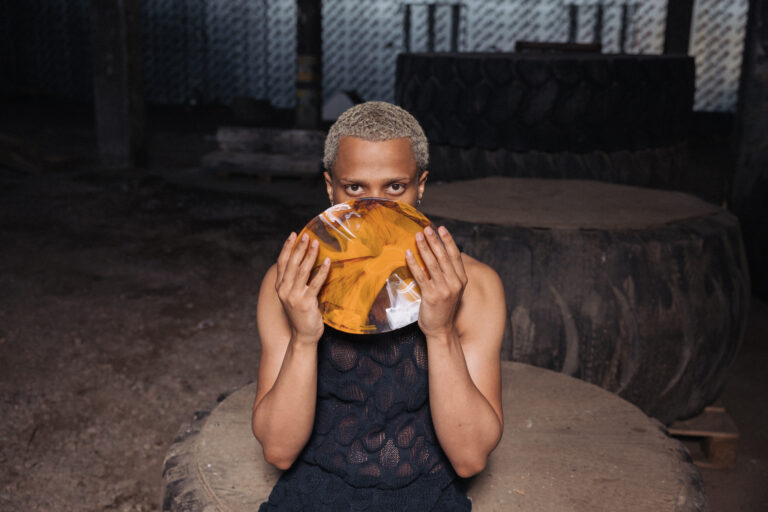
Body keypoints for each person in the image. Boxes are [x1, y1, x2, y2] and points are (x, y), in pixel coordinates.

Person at [252, 101, 506, 511]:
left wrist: (440, 332)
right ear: (329, 187)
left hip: (427, 500)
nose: (376, 208)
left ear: (420, 185)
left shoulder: (475, 286)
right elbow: (278, 451)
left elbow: (470, 457)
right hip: (311, 498)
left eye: (394, 187)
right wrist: (303, 338)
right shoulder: (288, 285)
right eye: (355, 188)